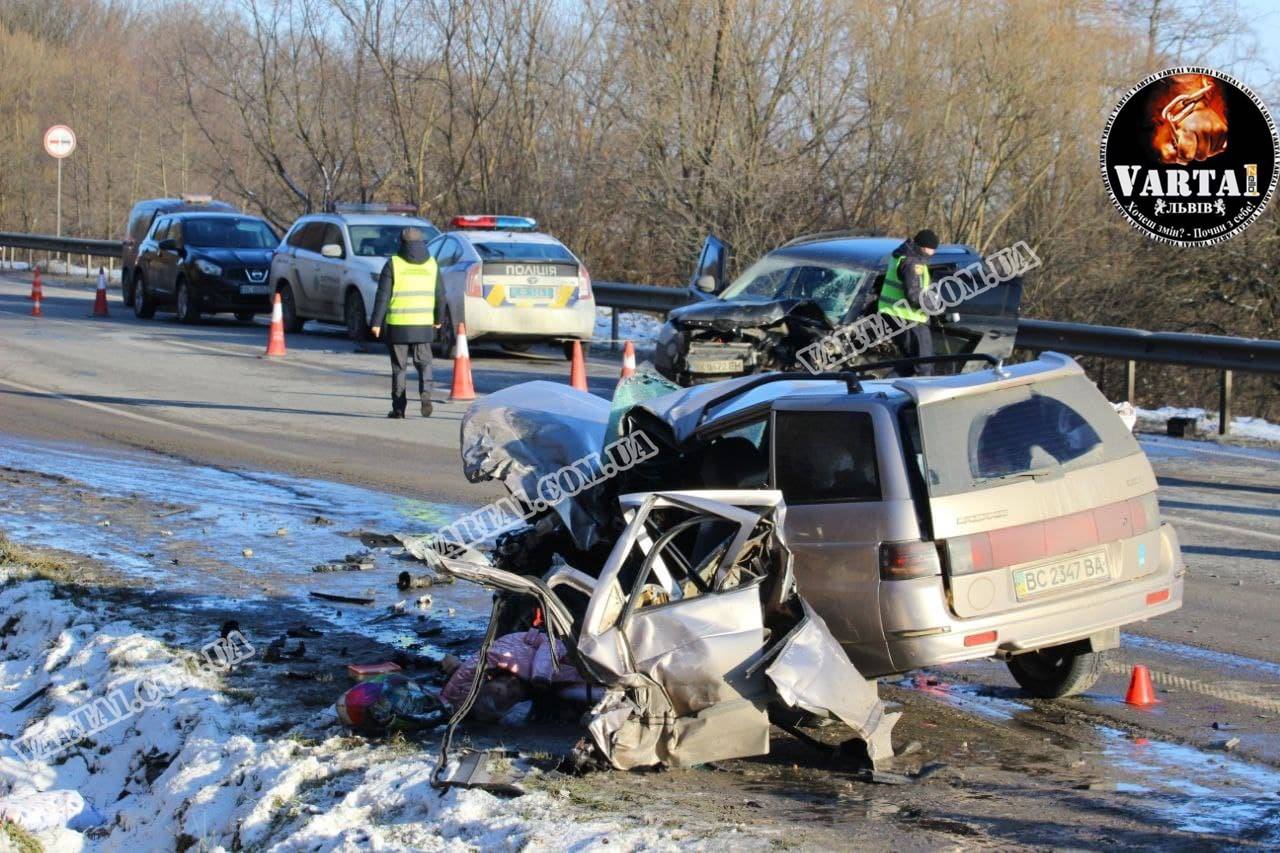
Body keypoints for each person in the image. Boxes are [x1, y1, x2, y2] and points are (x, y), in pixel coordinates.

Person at [370, 227, 444, 418]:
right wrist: (438, 319)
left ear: (401, 243)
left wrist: (376, 322)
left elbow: (383, 295)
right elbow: (440, 295)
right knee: (424, 362)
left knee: (399, 367)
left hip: (398, 325)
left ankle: (399, 408)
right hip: (423, 324)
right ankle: (426, 396)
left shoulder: (393, 264)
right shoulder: (432, 265)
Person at [878, 228, 938, 376]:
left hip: (895, 314)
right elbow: (914, 295)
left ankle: (884, 390)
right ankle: (928, 394)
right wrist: (935, 307)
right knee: (924, 365)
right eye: (933, 249)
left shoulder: (903, 256)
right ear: (925, 247)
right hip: (908, 318)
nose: (934, 253)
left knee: (909, 364)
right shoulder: (913, 263)